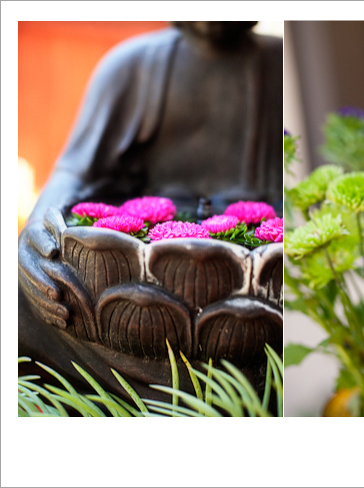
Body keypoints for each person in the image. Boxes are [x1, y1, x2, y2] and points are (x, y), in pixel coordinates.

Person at [18, 21, 282, 401]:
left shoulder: (278, 63)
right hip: (141, 274)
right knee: (24, 298)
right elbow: (75, 171)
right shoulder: (135, 64)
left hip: (254, 277)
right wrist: (33, 239)